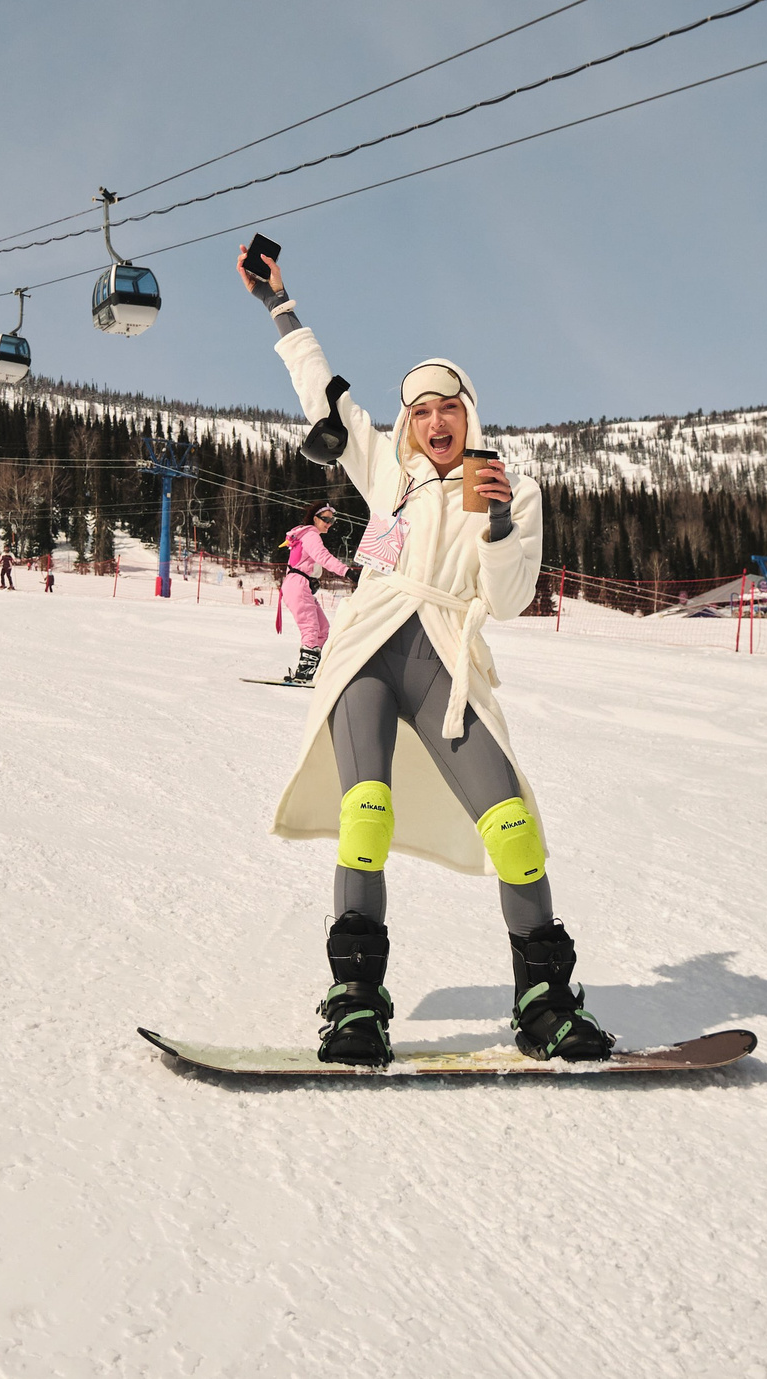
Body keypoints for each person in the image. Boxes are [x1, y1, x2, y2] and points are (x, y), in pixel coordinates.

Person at [238, 247, 612, 1066]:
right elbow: (324, 389)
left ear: (469, 413)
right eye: (420, 411)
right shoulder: (389, 474)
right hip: (367, 648)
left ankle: (545, 1001)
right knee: (364, 814)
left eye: (448, 406)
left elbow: (509, 599)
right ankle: (356, 1005)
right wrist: (281, 307)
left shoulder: (507, 488)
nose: (434, 422)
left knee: (514, 828)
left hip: (445, 656)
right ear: (407, 425)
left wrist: (501, 523)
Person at [277, 503, 350, 685]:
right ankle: (305, 672)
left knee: (322, 628)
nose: (329, 523)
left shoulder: (306, 535)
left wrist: (311, 580)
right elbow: (323, 557)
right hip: (298, 585)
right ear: (315, 518)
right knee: (310, 627)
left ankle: (314, 667)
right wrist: (348, 572)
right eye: (325, 519)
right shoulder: (311, 535)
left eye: (332, 520)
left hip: (300, 585)